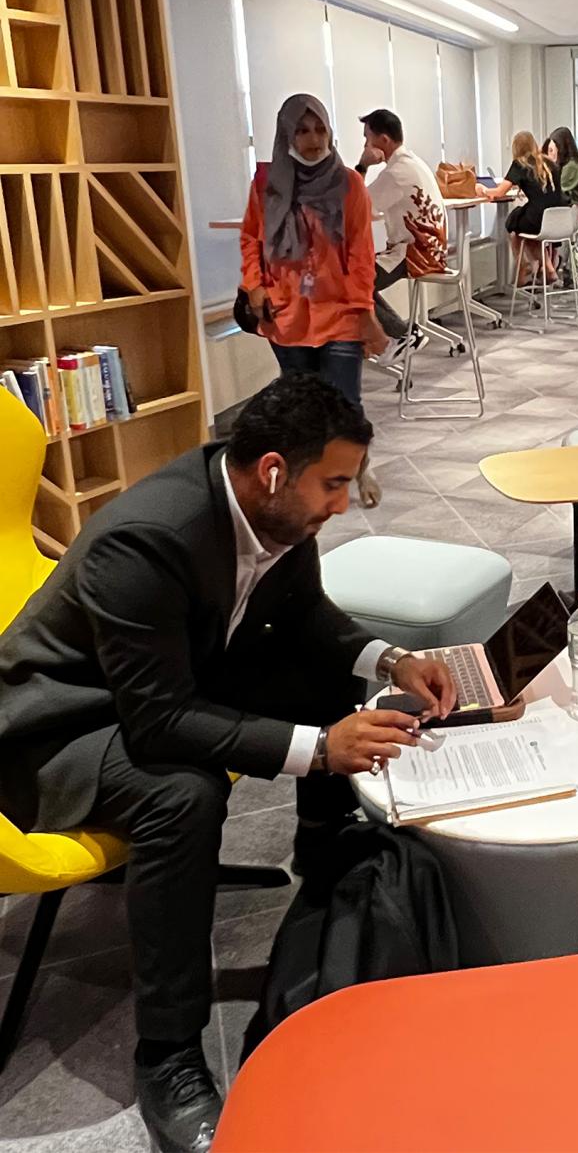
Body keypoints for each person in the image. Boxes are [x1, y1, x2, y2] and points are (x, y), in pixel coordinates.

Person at [0, 374, 457, 1153]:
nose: (344, 503)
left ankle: (323, 850)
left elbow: (308, 618)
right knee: (182, 793)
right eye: (335, 482)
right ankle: (168, 1056)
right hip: (57, 729)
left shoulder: (278, 517)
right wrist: (320, 749)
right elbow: (160, 719)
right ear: (274, 469)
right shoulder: (147, 538)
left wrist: (392, 658)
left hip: (159, 682)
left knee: (314, 664)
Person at [239, 93, 381, 507]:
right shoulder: (267, 183)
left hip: (338, 312)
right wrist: (254, 285)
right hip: (286, 312)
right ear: (287, 134)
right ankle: (308, 476)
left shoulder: (348, 183)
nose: (313, 139)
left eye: (319, 129)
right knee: (298, 403)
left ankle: (359, 469)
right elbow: (251, 237)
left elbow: (360, 255)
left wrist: (365, 313)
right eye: (302, 130)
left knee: (344, 402)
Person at [356, 107, 444, 368]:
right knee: (357, 278)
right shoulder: (411, 162)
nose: (365, 143)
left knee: (351, 282)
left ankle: (402, 335)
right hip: (428, 248)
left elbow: (356, 205)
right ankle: (401, 334)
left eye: (366, 138)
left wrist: (362, 165)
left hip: (416, 253)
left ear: (383, 140)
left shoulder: (396, 173)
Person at [481, 130, 566, 284]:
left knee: (513, 223)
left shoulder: (520, 164)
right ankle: (548, 268)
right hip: (558, 219)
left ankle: (523, 264)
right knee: (525, 231)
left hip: (538, 218)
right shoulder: (549, 163)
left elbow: (499, 192)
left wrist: (483, 189)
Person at [542, 126, 578, 278]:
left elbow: (558, 190)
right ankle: (552, 264)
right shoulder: (568, 165)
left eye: (552, 149)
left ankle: (552, 265)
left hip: (576, 213)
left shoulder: (571, 167)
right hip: (571, 210)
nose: (551, 153)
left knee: (539, 223)